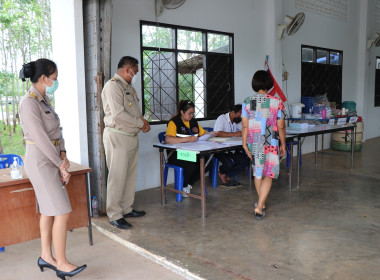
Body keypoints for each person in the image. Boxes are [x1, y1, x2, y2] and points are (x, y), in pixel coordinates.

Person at [19, 59, 87, 279]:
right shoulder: (28, 103)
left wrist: (64, 154)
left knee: (49, 210)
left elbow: (56, 130)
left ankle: (46, 256)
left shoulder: (44, 100)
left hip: (52, 158)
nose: (55, 82)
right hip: (40, 162)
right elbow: (40, 139)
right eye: (54, 79)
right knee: (62, 210)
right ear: (43, 78)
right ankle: (62, 263)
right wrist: (61, 165)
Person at [102, 56, 150, 230]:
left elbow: (134, 113)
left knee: (129, 176)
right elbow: (118, 115)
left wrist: (142, 123)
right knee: (117, 177)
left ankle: (126, 209)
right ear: (127, 69)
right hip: (117, 137)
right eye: (135, 71)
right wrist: (140, 123)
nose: (135, 74)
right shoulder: (112, 86)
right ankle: (115, 214)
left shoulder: (128, 87)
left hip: (131, 136)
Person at [241, 70, 286, 219]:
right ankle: (260, 206)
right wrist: (283, 144)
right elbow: (281, 127)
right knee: (269, 174)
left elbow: (245, 126)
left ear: (255, 83)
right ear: (268, 84)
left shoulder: (247, 102)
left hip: (255, 142)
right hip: (271, 142)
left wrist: (244, 144)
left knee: (258, 173)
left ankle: (261, 203)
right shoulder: (277, 102)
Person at [165, 100, 210, 197]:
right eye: (189, 113)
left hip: (192, 152)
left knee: (208, 162)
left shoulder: (193, 122)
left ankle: (188, 184)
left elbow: (202, 133)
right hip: (176, 154)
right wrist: (188, 138)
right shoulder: (174, 122)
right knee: (191, 165)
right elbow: (168, 139)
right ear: (182, 112)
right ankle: (183, 186)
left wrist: (211, 134)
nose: (191, 116)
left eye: (193, 113)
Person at [213, 104, 250, 186]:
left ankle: (225, 174)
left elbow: (243, 129)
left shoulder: (236, 122)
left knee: (245, 162)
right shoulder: (222, 118)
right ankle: (222, 172)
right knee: (228, 164)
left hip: (231, 149)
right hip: (219, 149)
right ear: (233, 112)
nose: (241, 115)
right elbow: (217, 133)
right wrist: (234, 134)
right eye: (239, 113)